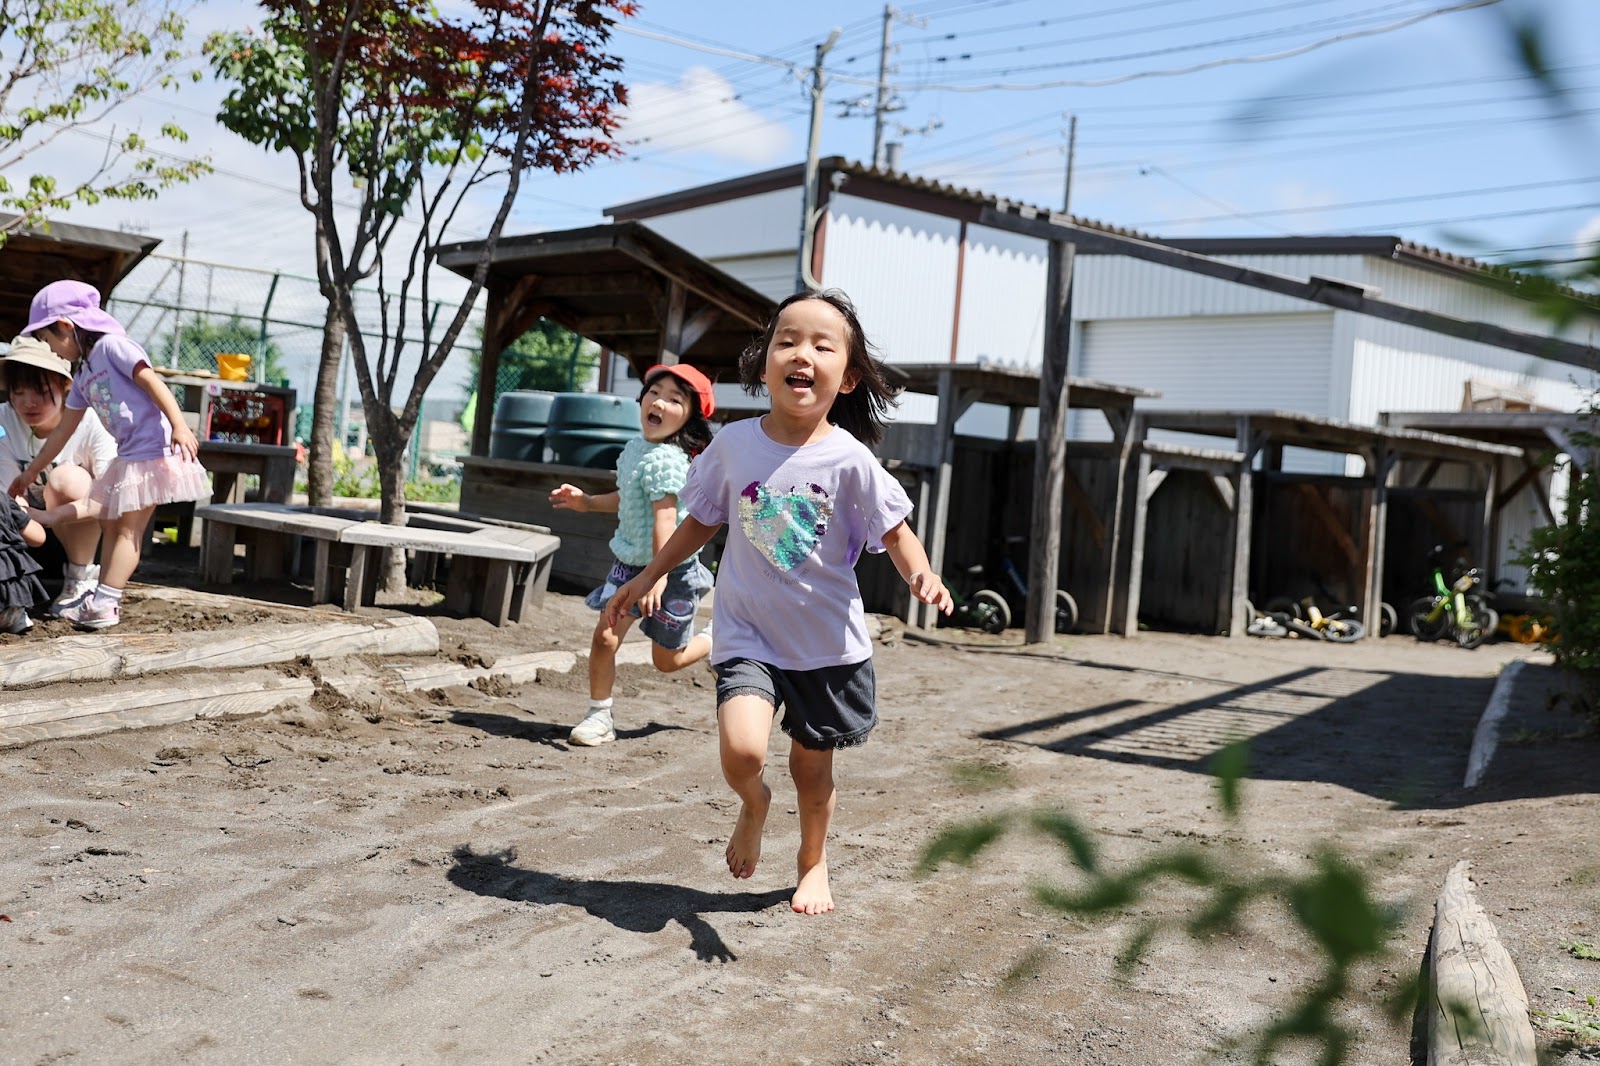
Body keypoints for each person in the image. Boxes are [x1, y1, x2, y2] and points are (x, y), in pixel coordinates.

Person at [606, 290, 952, 915]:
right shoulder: (734, 445)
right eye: (787, 341)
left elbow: (896, 532)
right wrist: (648, 575)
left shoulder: (852, 460)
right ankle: (753, 802)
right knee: (742, 751)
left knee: (812, 777)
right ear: (763, 364)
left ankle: (812, 862)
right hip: (747, 635)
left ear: (846, 378)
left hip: (824, 647)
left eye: (823, 346)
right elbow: (700, 521)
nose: (803, 353)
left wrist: (922, 574)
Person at [7, 281, 211, 631]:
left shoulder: (113, 347)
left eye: (49, 339)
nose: (52, 349)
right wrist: (31, 474)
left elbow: (152, 381)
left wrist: (179, 425)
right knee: (114, 525)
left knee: (128, 530)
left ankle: (106, 601)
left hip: (153, 451)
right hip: (129, 454)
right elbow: (62, 433)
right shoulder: (84, 375)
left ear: (67, 327)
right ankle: (101, 596)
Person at [550, 364, 718, 746]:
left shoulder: (668, 460)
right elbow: (628, 500)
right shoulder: (635, 450)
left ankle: (715, 639)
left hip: (671, 571)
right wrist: (588, 502)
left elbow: (666, 521)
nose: (660, 401)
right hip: (629, 567)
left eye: (675, 399)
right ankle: (599, 716)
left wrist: (657, 575)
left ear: (691, 416)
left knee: (666, 662)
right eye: (654, 392)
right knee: (605, 639)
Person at [0, 335, 117, 613]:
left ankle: (81, 579)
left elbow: (112, 493)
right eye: (19, 393)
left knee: (65, 478)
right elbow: (6, 487)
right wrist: (26, 516)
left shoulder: (91, 421)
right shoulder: (3, 420)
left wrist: (51, 516)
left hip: (84, 536)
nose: (28, 403)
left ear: (65, 385)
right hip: (25, 535)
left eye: (40, 391)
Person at [0, 494, 48, 634]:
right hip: (12, 606)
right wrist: (22, 512)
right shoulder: (4, 500)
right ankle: (19, 619)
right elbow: (38, 538)